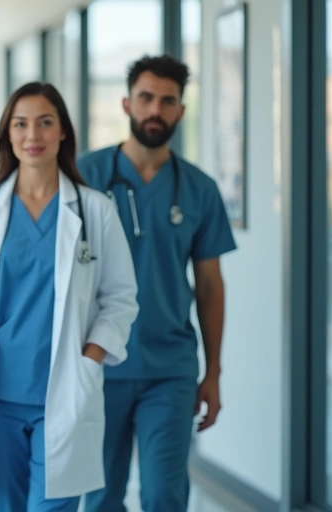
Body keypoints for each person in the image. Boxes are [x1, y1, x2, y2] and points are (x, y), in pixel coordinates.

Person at [0, 82, 139, 511]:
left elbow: (121, 297)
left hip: (65, 392)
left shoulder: (94, 210)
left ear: (63, 132)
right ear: (8, 135)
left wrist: (91, 356)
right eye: (21, 124)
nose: (33, 135)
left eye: (45, 122)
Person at [78, 55, 237, 512]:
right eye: (146, 98)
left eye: (168, 101)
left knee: (164, 495)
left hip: (170, 369)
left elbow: (209, 286)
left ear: (181, 111)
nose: (156, 110)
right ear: (127, 103)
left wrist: (214, 372)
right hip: (98, 363)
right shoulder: (84, 177)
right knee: (100, 497)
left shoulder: (199, 189)